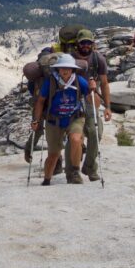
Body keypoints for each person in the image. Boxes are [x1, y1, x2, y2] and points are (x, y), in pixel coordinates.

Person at [31, 53, 92, 185]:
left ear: (73, 69)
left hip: (74, 118)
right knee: (54, 154)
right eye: (63, 68)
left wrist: (92, 90)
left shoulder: (80, 81)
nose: (65, 71)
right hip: (54, 120)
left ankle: (75, 172)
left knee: (76, 139)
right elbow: (40, 101)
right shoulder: (50, 82)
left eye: (68, 68)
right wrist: (36, 120)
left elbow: (94, 103)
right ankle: (47, 179)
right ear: (58, 69)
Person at [65, 29, 112, 182]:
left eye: (88, 43)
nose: (86, 45)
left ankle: (89, 166)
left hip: (91, 98)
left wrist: (108, 107)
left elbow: (104, 83)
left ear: (93, 44)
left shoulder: (98, 59)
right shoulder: (69, 59)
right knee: (74, 135)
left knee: (95, 132)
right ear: (77, 44)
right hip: (72, 99)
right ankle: (71, 171)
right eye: (83, 43)